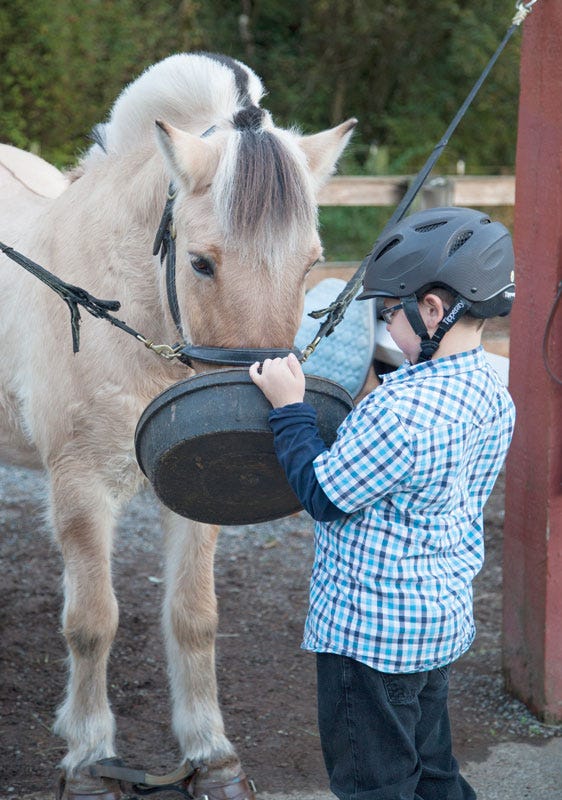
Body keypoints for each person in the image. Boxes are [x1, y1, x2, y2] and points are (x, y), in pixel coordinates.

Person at [249, 206, 516, 800]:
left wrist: (289, 407)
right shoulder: (495, 394)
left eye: (389, 311)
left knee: (376, 783)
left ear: (432, 311)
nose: (385, 324)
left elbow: (323, 495)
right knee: (434, 770)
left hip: (369, 639)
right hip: (436, 621)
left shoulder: (398, 413)